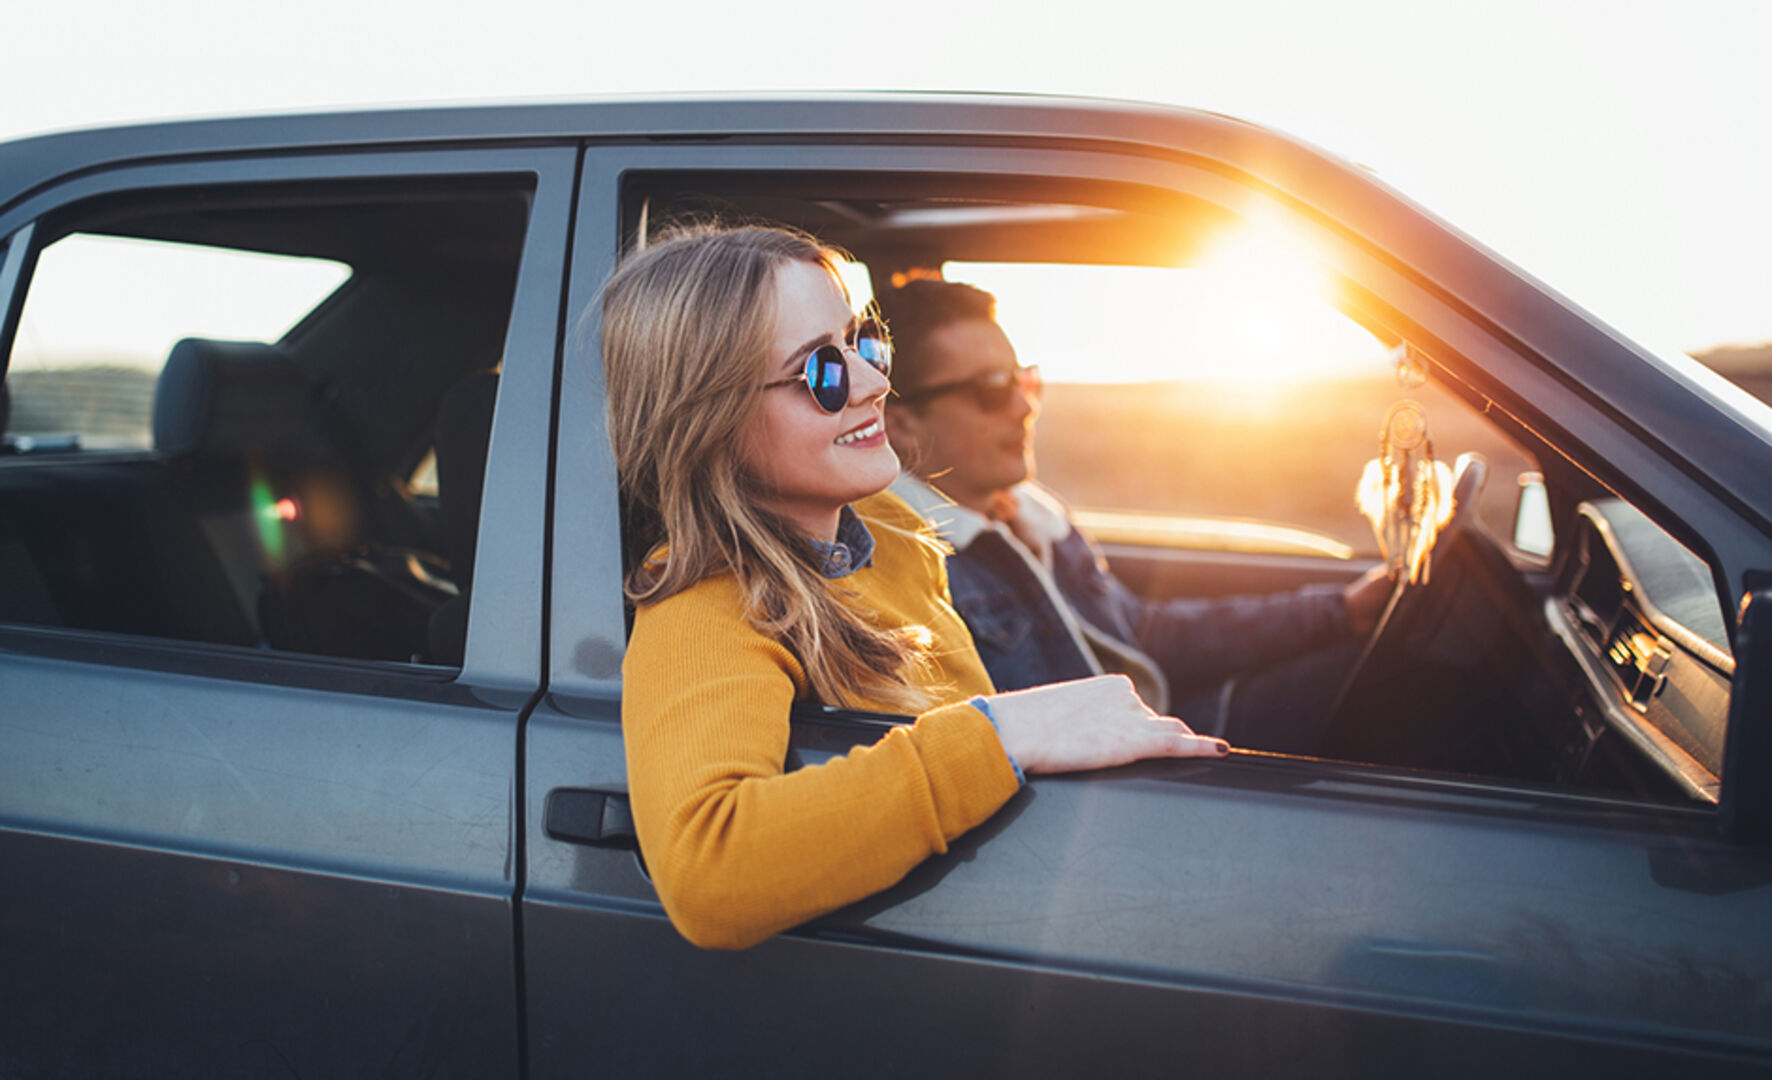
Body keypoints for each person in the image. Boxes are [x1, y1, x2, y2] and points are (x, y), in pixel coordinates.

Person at [600, 224, 1230, 951]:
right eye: (823, 372)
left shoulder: (891, 531)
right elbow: (707, 870)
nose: (874, 383)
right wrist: (1009, 733)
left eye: (863, 343)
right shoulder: (708, 605)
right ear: (712, 418)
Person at [878, 279, 1388, 749]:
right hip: (1123, 783)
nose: (1023, 407)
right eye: (991, 388)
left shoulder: (1027, 513)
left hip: (1157, 729)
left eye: (1025, 380)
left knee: (1363, 670)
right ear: (902, 424)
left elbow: (1139, 632)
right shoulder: (914, 565)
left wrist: (1339, 612)